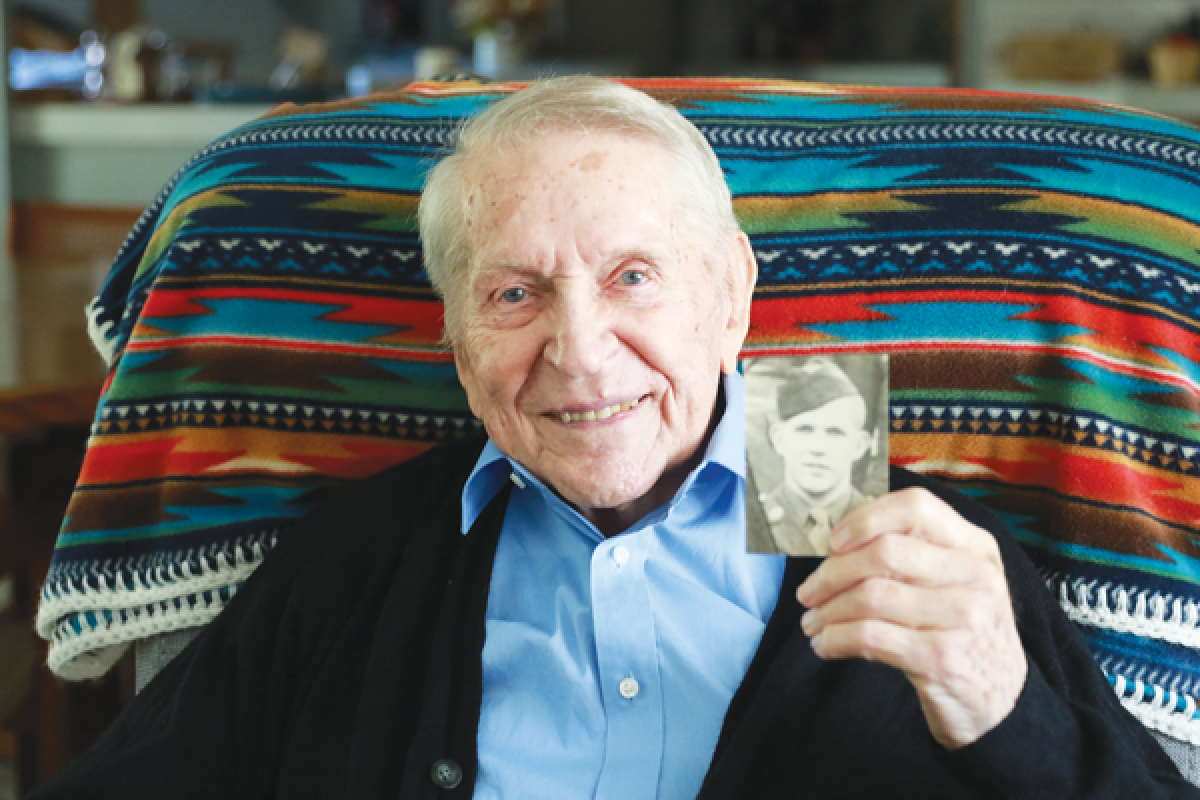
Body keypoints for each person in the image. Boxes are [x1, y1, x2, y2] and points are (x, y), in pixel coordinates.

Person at [29, 76, 1196, 799]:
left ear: (731, 295)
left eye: (634, 276)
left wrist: (1007, 710)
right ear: (455, 332)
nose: (581, 352)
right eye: (515, 294)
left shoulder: (862, 499)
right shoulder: (367, 559)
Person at [753, 358, 878, 556]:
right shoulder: (752, 523)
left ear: (859, 445)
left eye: (835, 432)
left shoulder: (879, 520)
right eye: (804, 430)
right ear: (778, 439)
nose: (818, 448)